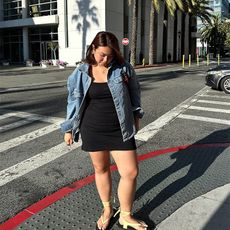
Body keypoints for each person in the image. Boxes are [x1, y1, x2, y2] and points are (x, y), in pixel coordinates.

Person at [61, 31, 147, 230]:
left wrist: (136, 117)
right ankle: (107, 209)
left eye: (110, 55)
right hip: (93, 128)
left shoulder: (124, 69)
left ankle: (126, 215)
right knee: (101, 169)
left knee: (131, 172)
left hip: (120, 128)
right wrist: (68, 129)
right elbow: (73, 101)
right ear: (93, 49)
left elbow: (135, 93)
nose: (105, 59)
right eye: (102, 54)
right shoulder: (81, 72)